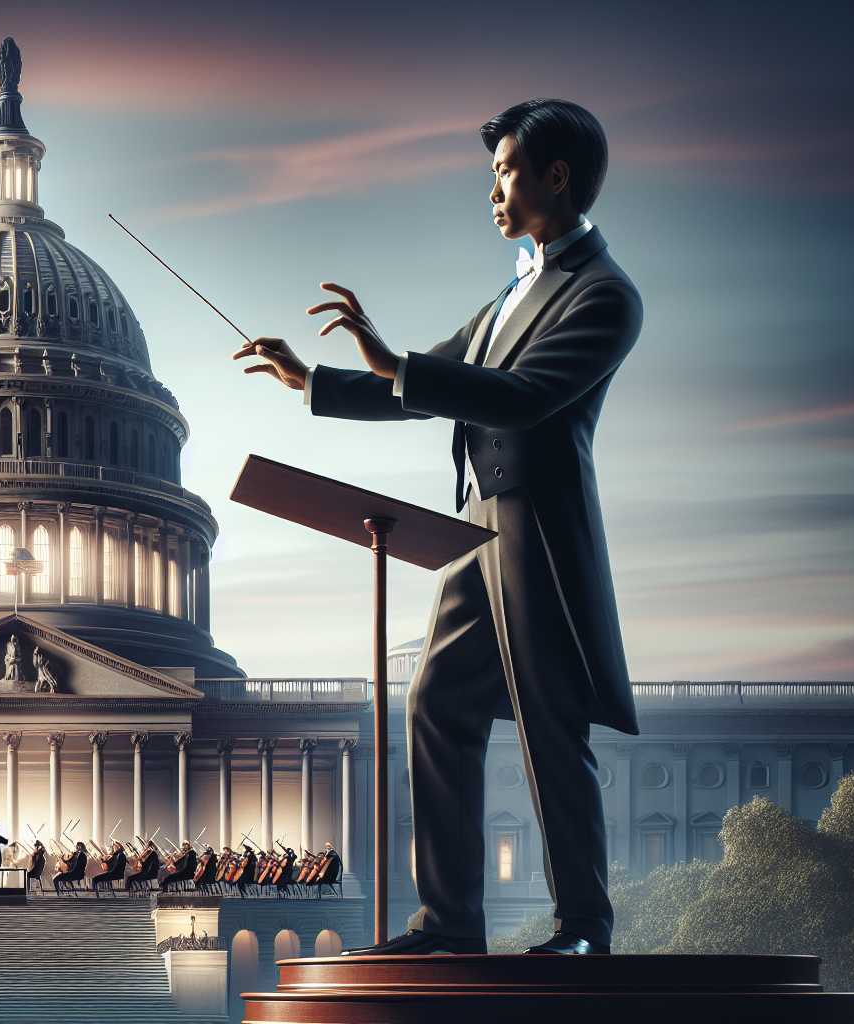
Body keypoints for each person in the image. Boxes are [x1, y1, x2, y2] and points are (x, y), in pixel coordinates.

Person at [235, 98, 635, 957]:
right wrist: (313, 383)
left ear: (554, 177)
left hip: (538, 537)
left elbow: (523, 397)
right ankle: (450, 923)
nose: (492, 190)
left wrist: (396, 363)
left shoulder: (604, 295)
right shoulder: (510, 293)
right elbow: (426, 383)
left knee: (548, 723)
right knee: (437, 704)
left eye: (504, 171)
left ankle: (584, 928)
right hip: (473, 532)